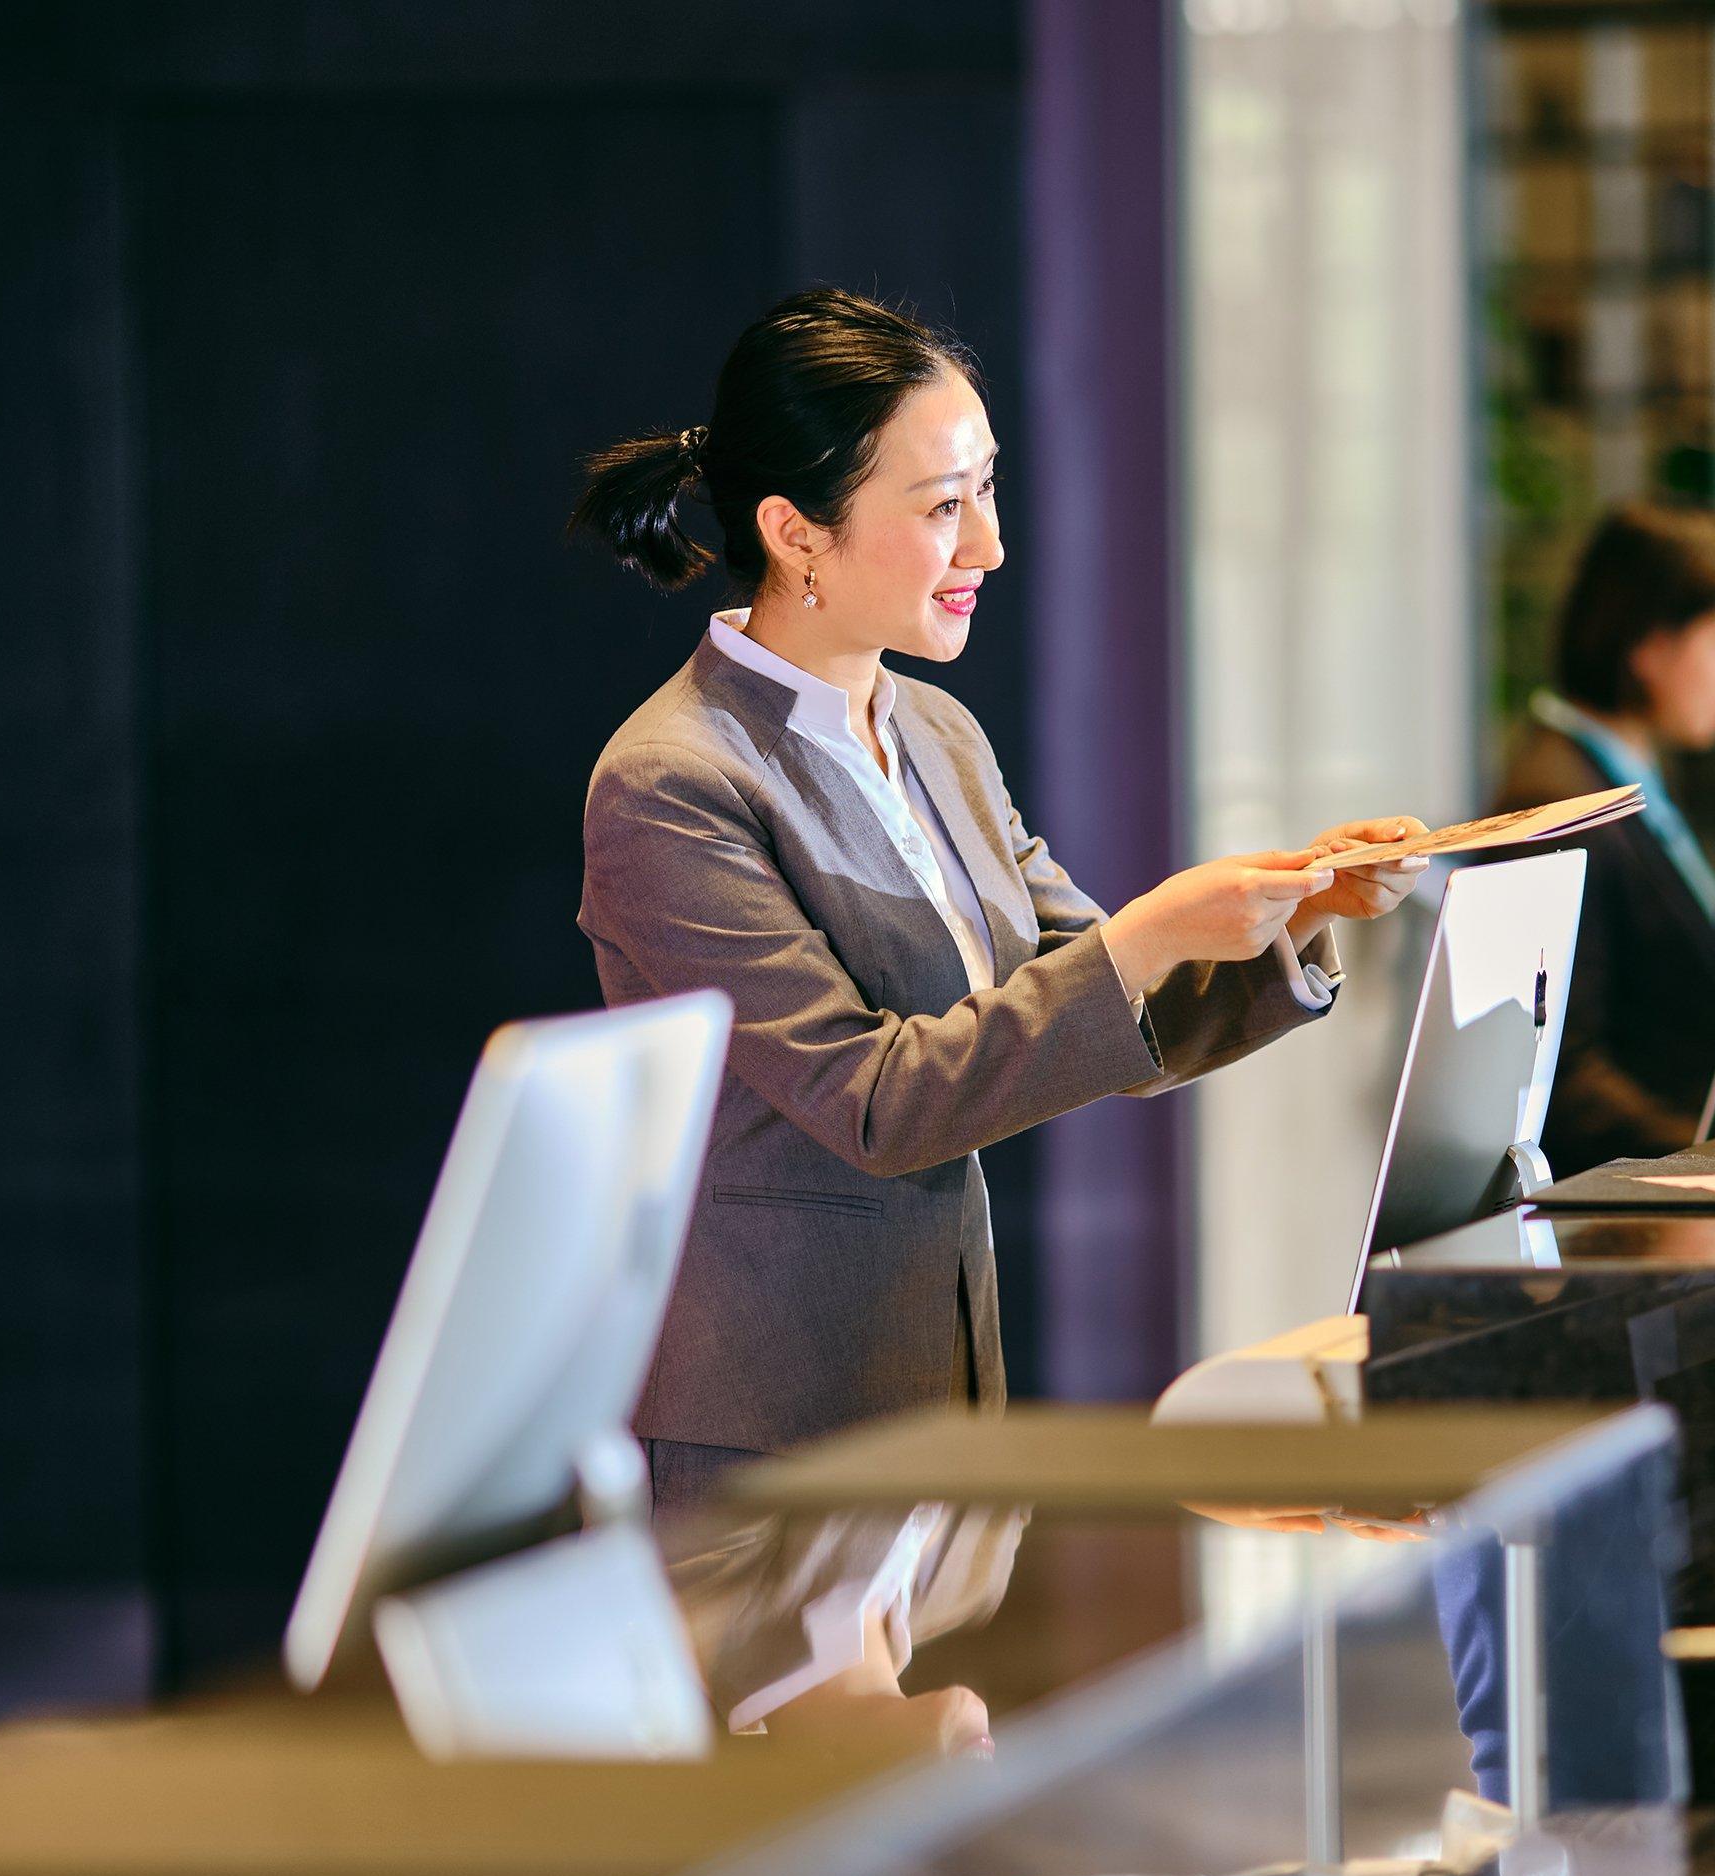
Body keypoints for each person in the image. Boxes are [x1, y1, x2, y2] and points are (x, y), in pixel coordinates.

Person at [572, 289, 1425, 1506]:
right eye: (942, 507)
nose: (989, 546)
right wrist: (1144, 937)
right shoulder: (673, 781)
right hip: (773, 1435)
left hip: (939, 1391)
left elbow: (1095, 1007)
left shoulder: (937, 731)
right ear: (795, 531)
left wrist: (1300, 910)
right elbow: (875, 1103)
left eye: (987, 490)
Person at [1488, 505, 1715, 1170]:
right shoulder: (1557, 802)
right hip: (1616, 1222)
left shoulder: (1618, 775)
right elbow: (1564, 1080)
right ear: (1649, 642)